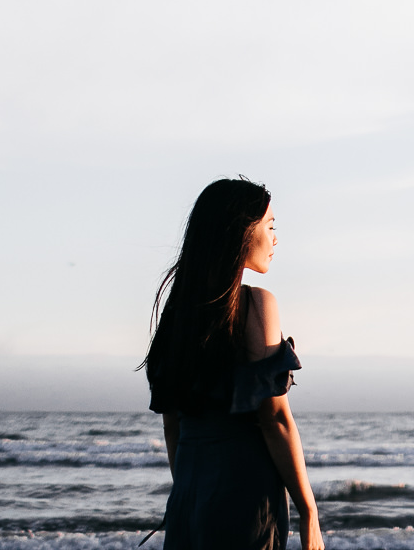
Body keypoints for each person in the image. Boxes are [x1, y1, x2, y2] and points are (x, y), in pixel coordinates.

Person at [141, 177, 324, 550]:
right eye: (270, 226)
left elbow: (172, 425)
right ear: (241, 232)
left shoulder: (177, 316)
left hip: (188, 500)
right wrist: (309, 513)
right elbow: (275, 419)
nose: (276, 239)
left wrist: (193, 491)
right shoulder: (256, 305)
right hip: (244, 498)